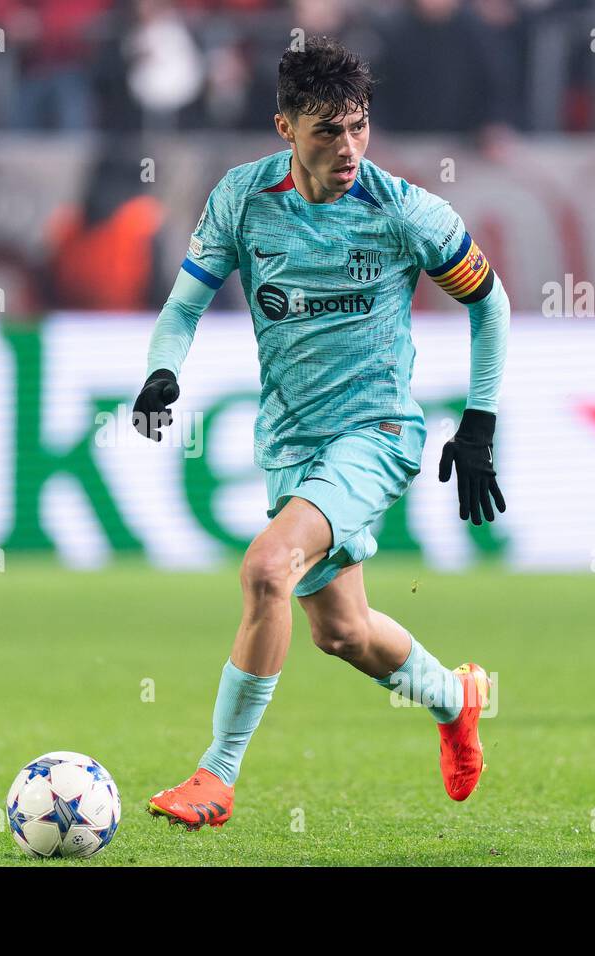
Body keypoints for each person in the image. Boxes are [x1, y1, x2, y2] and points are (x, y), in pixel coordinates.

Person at [133, 36, 508, 828]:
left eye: (359, 127)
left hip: (377, 433)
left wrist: (478, 420)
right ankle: (456, 697)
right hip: (291, 444)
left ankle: (216, 776)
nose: (348, 149)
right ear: (285, 128)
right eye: (326, 132)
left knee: (267, 567)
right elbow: (183, 306)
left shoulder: (403, 210)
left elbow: (490, 301)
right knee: (340, 631)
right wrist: (163, 369)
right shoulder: (241, 200)